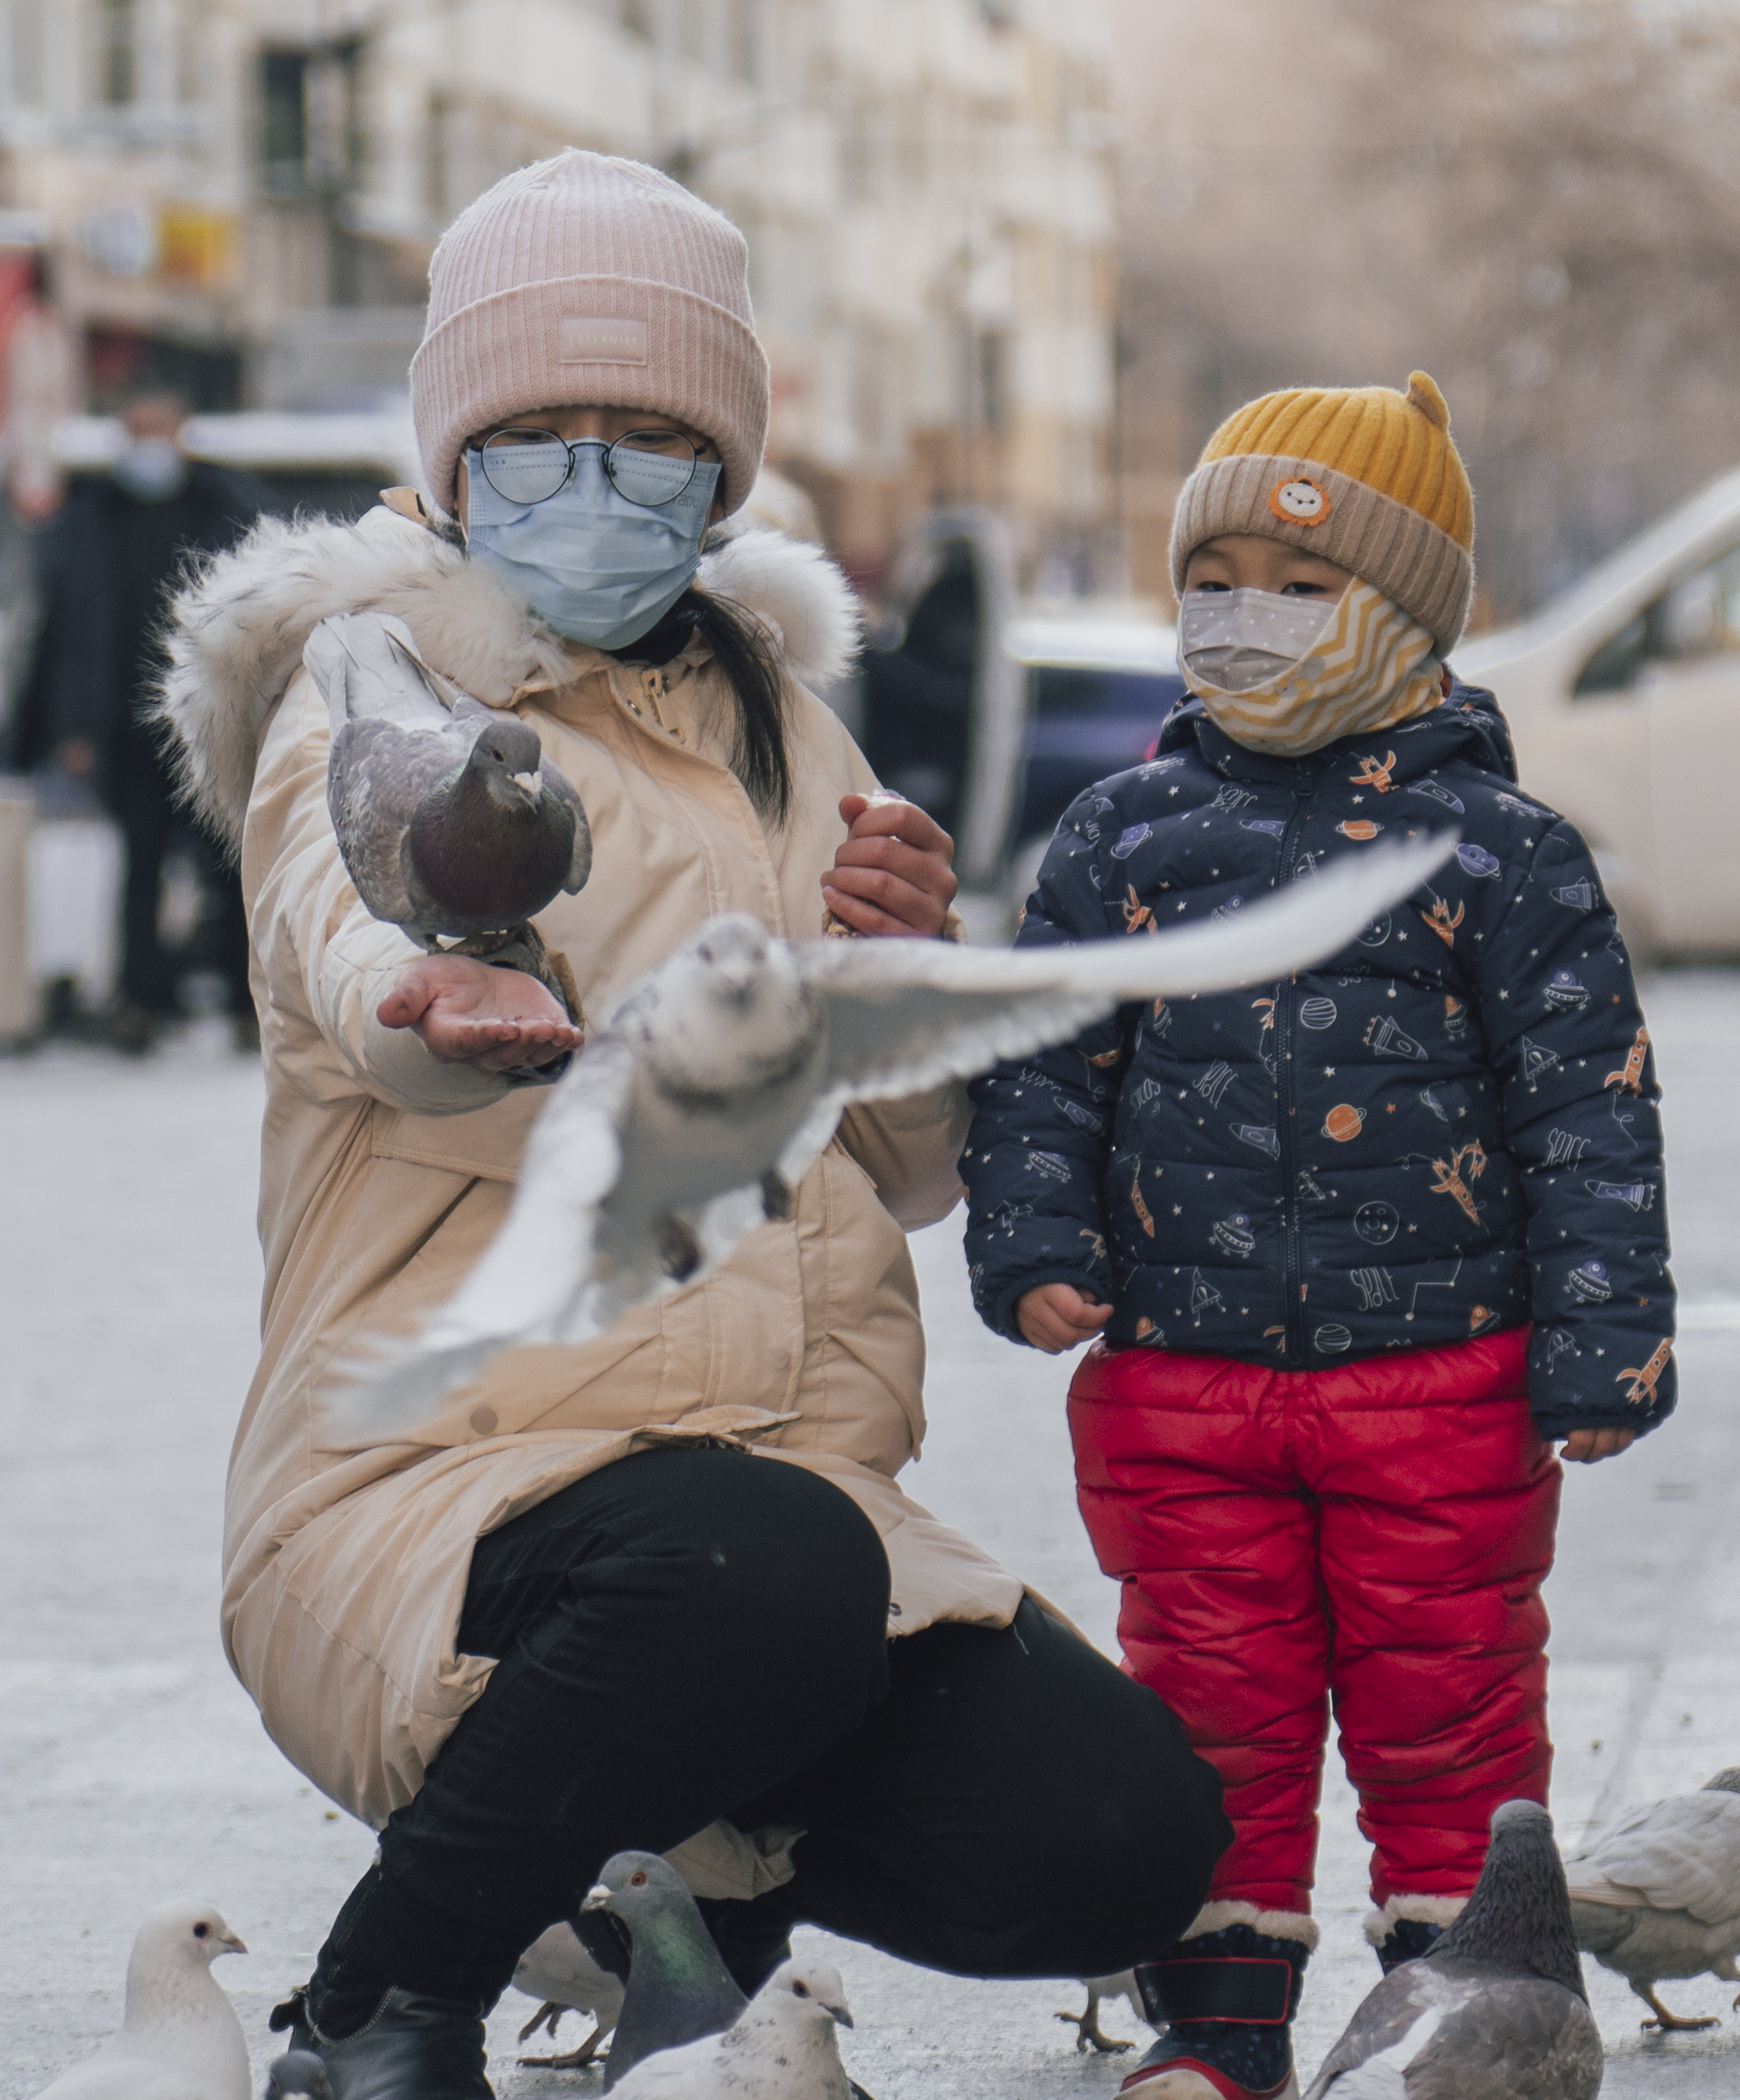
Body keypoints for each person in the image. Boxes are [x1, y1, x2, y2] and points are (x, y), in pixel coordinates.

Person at [155, 151, 1229, 2097]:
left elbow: (892, 1176)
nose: (588, 475)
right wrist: (423, 990)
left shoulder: (776, 726)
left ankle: (675, 1896)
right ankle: (378, 2013)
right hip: (433, 1497)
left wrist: (895, 976)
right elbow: (344, 941)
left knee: (1121, 1839)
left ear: (720, 470)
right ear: (454, 454)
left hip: (772, 1523)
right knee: (752, 1565)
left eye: (644, 436)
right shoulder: (365, 683)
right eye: (535, 433)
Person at [962, 373, 1676, 2100]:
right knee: (1213, 1704)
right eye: (1210, 582)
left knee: (1449, 1702)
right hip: (1183, 1383)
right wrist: (1032, 1235)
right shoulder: (1118, 841)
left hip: (1443, 1382)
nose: (1243, 623)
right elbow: (1043, 1062)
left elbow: (1585, 1103)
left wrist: (1603, 1338)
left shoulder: (1495, 852)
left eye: (1296, 588)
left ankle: (1455, 2003)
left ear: (1408, 616)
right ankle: (1218, 2024)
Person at [29, 387, 265, 1050]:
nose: (149, 446)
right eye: (137, 431)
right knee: (140, 866)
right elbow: (68, 635)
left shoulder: (228, 509)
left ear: (184, 432)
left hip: (216, 726)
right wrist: (72, 730)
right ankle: (141, 1001)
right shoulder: (93, 517)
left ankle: (248, 1000)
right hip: (131, 731)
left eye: (159, 429)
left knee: (230, 867)